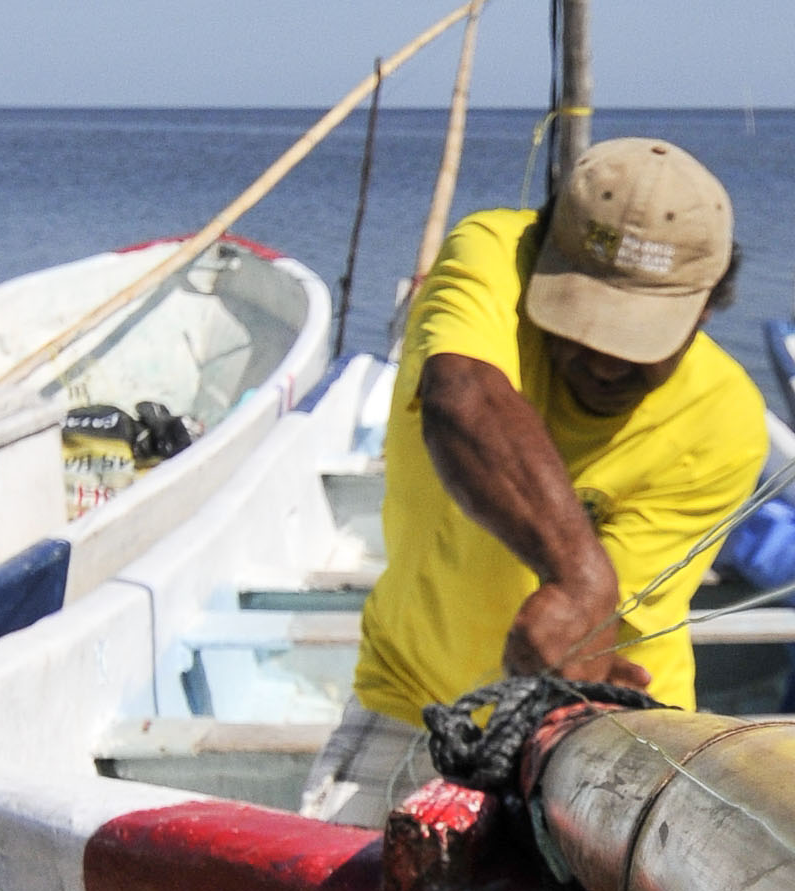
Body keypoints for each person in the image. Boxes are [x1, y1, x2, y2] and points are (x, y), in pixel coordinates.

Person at [298, 138, 766, 827]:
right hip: (411, 696)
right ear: (542, 259)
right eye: (580, 324)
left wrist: (582, 608)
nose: (605, 362)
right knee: (327, 887)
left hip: (612, 717)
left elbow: (593, 640)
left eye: (640, 338)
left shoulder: (723, 421)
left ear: (705, 309)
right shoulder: (492, 252)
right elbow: (461, 395)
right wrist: (579, 576)